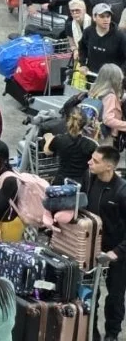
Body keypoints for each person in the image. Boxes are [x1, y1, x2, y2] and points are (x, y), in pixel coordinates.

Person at [83, 145, 126, 341]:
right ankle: (92, 330)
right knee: (89, 294)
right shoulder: (90, 178)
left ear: (109, 167)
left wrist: (117, 252)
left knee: (115, 298)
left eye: (96, 161)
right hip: (92, 249)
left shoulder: (122, 192)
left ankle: (112, 334)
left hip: (117, 253)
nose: (90, 162)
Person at [43, 108, 98, 185]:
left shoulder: (59, 139)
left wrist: (49, 139)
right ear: (85, 123)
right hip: (81, 184)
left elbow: (47, 151)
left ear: (68, 121)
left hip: (61, 182)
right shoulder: (91, 144)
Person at [78, 4, 126, 76]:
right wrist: (83, 64)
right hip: (92, 76)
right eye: (102, 16)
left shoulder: (120, 35)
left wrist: (121, 72)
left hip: (112, 79)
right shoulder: (88, 32)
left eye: (108, 16)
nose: (106, 19)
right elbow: (82, 48)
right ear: (94, 17)